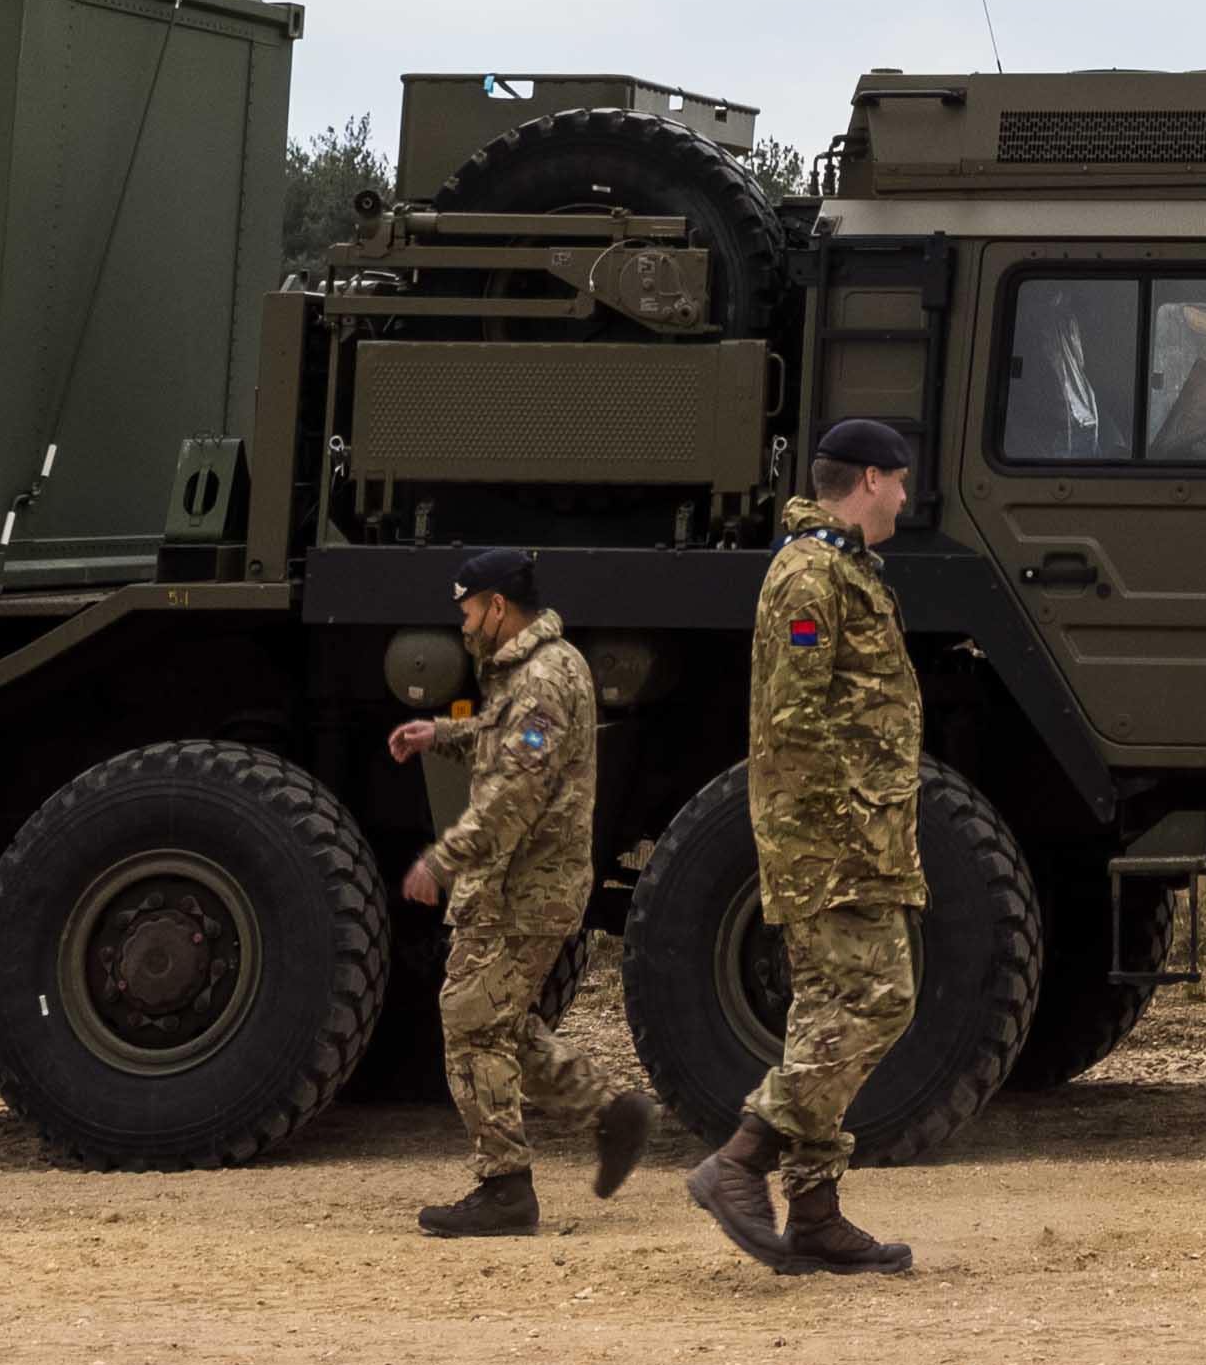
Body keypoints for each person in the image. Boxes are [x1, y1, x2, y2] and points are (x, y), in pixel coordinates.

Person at [690, 417, 928, 1277]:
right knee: (881, 998)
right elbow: (793, 719)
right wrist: (848, 828)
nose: (906, 494)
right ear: (869, 479)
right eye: (900, 479)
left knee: (828, 1011)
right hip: (832, 838)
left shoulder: (842, 568)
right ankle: (742, 1157)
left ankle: (816, 1212)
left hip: (848, 831)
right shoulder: (811, 574)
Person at [388, 547, 650, 1237]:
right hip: (527, 884)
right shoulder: (544, 668)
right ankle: (609, 1111)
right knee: (495, 1020)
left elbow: (514, 793)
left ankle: (505, 1187)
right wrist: (443, 734)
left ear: (498, 606)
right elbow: (509, 741)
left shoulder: (541, 678)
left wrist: (440, 860)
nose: (464, 624)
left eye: (468, 610)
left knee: (471, 1023)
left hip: (519, 888)